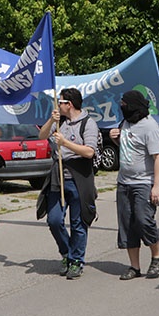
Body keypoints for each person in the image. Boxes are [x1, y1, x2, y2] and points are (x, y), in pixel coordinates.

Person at [36, 88, 99, 279]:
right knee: (54, 220)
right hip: (58, 178)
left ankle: (76, 260)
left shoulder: (88, 123)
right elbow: (41, 136)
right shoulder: (59, 122)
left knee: (78, 223)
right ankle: (66, 253)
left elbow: (89, 152)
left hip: (79, 176)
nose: (58, 105)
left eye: (60, 102)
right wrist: (51, 120)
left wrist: (65, 143)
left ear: (69, 104)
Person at [110, 90, 159, 280]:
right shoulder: (125, 122)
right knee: (127, 225)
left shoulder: (149, 126)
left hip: (144, 182)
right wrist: (115, 139)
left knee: (143, 220)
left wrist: (156, 186)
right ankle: (134, 266)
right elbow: (128, 147)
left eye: (124, 104)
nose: (122, 107)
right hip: (124, 182)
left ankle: (157, 256)